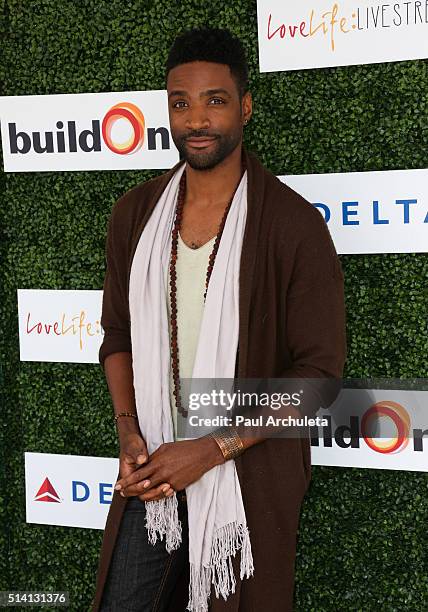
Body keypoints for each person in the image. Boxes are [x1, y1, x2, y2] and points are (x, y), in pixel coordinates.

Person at [92, 27, 347, 612]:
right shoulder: (135, 215)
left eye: (215, 100)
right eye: (181, 104)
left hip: (245, 482)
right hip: (152, 470)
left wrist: (211, 448)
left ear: (245, 107)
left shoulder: (292, 224)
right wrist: (129, 430)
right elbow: (117, 337)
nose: (197, 119)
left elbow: (320, 376)